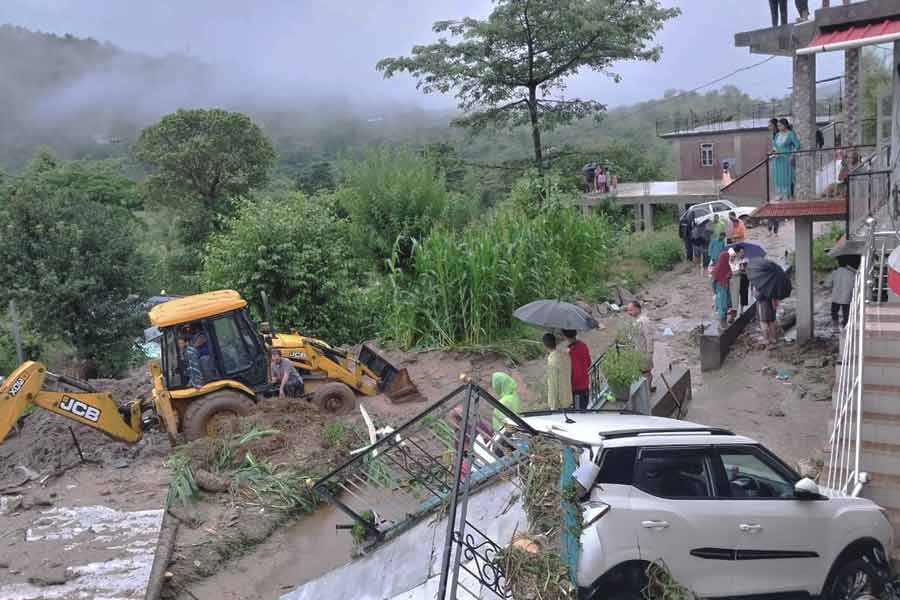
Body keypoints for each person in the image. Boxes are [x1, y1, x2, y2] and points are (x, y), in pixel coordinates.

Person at [626, 301, 654, 392]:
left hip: (644, 352)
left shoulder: (644, 321)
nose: (629, 312)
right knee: (640, 372)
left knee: (646, 372)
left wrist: (649, 353)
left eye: (631, 310)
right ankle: (644, 390)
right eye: (628, 310)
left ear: (638, 309)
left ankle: (647, 390)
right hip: (637, 352)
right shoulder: (635, 321)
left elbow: (649, 337)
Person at [772, 118, 800, 201]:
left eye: (780, 125)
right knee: (778, 176)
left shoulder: (790, 134)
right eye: (778, 126)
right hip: (777, 159)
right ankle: (779, 194)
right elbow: (775, 146)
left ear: (785, 125)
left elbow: (797, 145)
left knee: (786, 176)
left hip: (786, 158)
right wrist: (774, 152)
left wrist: (793, 155)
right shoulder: (777, 135)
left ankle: (787, 194)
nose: (779, 127)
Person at [563, 329, 591, 410]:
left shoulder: (570, 352)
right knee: (583, 411)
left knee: (578, 415)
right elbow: (588, 363)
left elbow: (573, 373)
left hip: (577, 389)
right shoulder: (583, 345)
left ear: (565, 336)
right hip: (585, 385)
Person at [543, 333, 572, 410]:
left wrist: (553, 406)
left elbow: (553, 384)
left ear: (545, 345)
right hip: (568, 398)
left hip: (559, 403)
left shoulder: (552, 360)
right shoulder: (566, 356)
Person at [829, 263, 857, 327]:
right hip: (847, 297)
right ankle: (845, 325)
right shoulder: (852, 274)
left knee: (834, 312)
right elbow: (855, 285)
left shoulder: (834, 273)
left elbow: (827, 284)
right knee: (846, 313)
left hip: (835, 296)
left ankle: (835, 325)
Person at [711, 251, 733, 325]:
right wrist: (714, 291)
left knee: (726, 303)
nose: (729, 259)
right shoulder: (717, 269)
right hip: (720, 288)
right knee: (722, 304)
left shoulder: (727, 266)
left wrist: (729, 275)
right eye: (728, 257)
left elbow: (730, 273)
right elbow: (713, 280)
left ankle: (724, 319)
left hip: (726, 287)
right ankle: (722, 321)